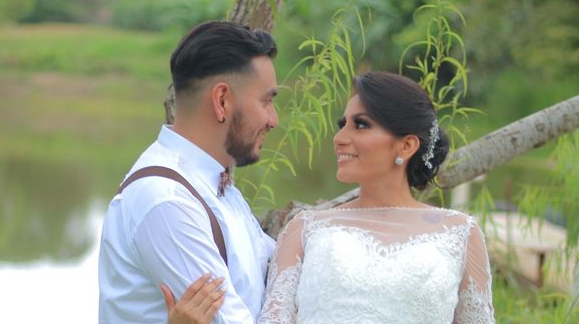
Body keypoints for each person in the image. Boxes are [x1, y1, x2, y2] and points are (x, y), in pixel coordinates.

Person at [169, 71, 495, 323]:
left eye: (361, 125)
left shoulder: (459, 234)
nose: (340, 138)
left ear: (407, 146)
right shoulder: (306, 230)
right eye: (343, 125)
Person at [98, 20, 279, 324]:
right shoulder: (167, 201)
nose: (273, 120)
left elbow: (272, 268)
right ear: (222, 101)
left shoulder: (211, 185)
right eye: (267, 101)